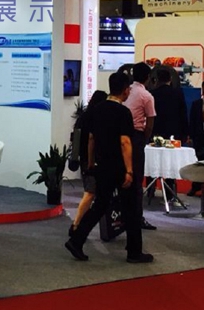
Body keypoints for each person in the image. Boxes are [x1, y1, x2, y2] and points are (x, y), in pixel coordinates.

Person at [65, 72, 153, 264]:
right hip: (119, 167)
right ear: (125, 90)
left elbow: (91, 139)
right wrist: (129, 170)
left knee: (99, 206)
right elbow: (125, 142)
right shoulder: (123, 112)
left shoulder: (97, 110)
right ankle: (134, 251)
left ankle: (76, 240)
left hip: (102, 165)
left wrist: (91, 163)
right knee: (131, 207)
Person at [123, 62, 157, 231]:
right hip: (136, 138)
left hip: (121, 136)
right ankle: (137, 218)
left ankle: (120, 216)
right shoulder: (147, 96)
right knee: (136, 181)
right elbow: (149, 124)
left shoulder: (125, 92)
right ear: (148, 77)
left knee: (122, 178)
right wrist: (143, 140)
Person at [69, 90, 108, 234]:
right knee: (90, 192)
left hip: (83, 158)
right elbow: (92, 139)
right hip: (91, 159)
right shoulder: (96, 118)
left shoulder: (83, 117)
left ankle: (79, 223)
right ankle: (76, 223)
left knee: (91, 192)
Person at [149, 67, 188, 198]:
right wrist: (185, 133)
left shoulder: (152, 94)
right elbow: (183, 114)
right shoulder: (178, 93)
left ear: (157, 80)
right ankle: (170, 190)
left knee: (153, 159)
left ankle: (150, 188)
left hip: (156, 132)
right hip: (173, 132)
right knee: (171, 162)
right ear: (170, 79)